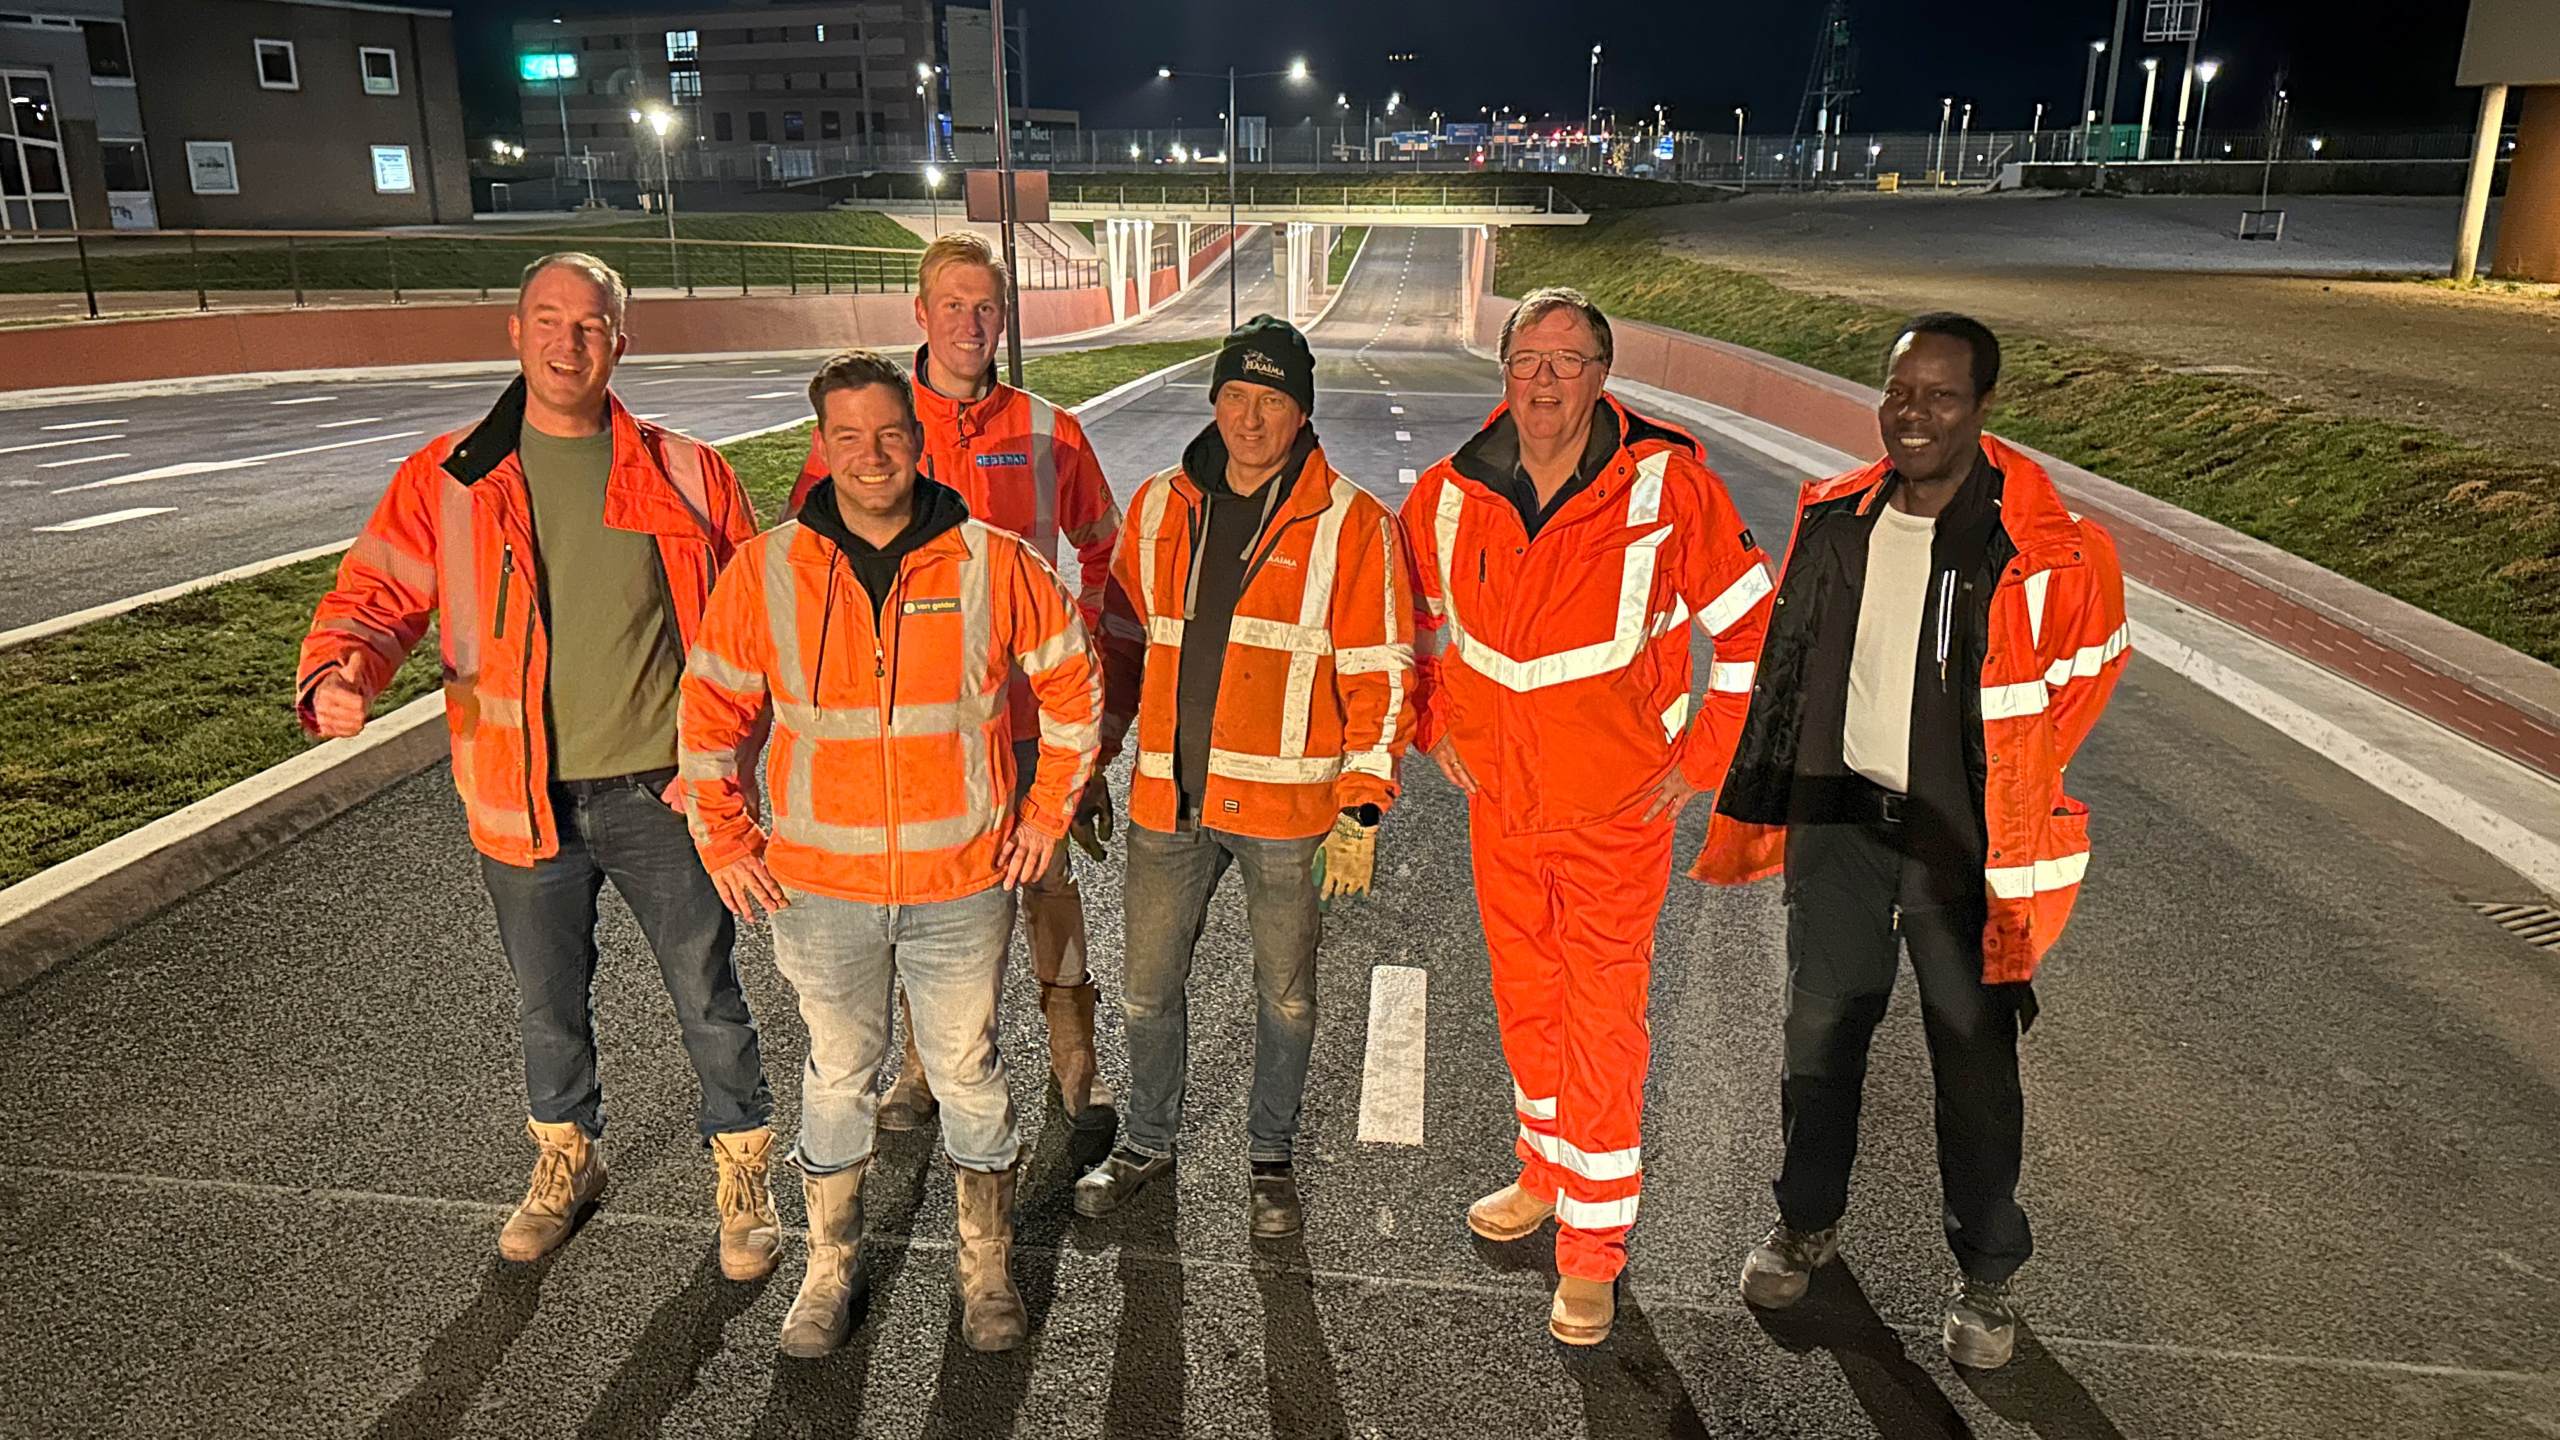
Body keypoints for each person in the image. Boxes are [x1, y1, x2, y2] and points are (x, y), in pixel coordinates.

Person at [297, 253, 780, 1278]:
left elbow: (754, 629)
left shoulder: (690, 472)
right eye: (549, 322)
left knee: (708, 992)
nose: (570, 343)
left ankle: (742, 1173)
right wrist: (343, 672)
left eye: (592, 324)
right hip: (521, 796)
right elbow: (375, 597)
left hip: (666, 791)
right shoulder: (452, 478)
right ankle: (566, 1160)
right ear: (514, 334)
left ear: (621, 341)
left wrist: (729, 768)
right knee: (545, 1003)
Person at [1695, 313, 2129, 1371]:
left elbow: (2079, 682)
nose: (1914, 413)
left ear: (1983, 408)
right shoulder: (1836, 515)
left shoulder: (2049, 549)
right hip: (1839, 824)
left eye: (1941, 395)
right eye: (1900, 391)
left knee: (1973, 1066)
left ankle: (1985, 1276)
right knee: (1817, 1042)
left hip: (1964, 849)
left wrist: (1992, 783)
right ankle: (1804, 1221)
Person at [678, 349, 1103, 1357]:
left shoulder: (993, 562)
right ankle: (827, 1270)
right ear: (821, 446)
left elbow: (1075, 688)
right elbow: (705, 714)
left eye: (890, 434)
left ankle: (984, 1267)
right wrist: (723, 833)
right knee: (838, 1074)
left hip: (962, 884)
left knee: (966, 1069)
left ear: (917, 440)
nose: (871, 455)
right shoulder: (768, 569)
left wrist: (1045, 817)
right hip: (821, 890)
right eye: (848, 437)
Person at [1404, 286, 1776, 1346]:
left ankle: (1593, 1251)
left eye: (1569, 361)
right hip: (1504, 812)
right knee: (1525, 1003)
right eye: (1530, 359)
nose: (1546, 380)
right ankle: (1541, 1170)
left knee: (1601, 1021)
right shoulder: (1442, 494)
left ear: (1603, 377)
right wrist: (1438, 727)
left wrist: (1702, 757)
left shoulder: (1666, 488)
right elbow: (1414, 626)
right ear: (1505, 370)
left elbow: (1752, 630)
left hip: (1616, 812)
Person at [784, 230, 1141, 1135]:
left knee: (1050, 883)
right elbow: (803, 568)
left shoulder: (1049, 431)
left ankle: (1077, 1068)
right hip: (919, 727)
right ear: (921, 313)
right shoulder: (874, 432)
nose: (971, 323)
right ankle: (918, 1066)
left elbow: (1109, 555)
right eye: (954, 305)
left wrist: (1087, 676)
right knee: (928, 896)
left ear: (1003, 315)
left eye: (987, 306)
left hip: (1026, 722)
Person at [1070, 315, 1414, 1238]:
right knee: (1146, 990)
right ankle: (1146, 1143)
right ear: (1214, 401)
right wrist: (1091, 762)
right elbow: (1122, 648)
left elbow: (1382, 670)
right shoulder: (1156, 508)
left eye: (1271, 401)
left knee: (1287, 996)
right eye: (1235, 396)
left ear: (1301, 414)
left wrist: (1364, 808)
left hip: (1287, 809)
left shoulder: (1352, 523)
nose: (1250, 418)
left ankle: (1271, 1161)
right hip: (1167, 803)